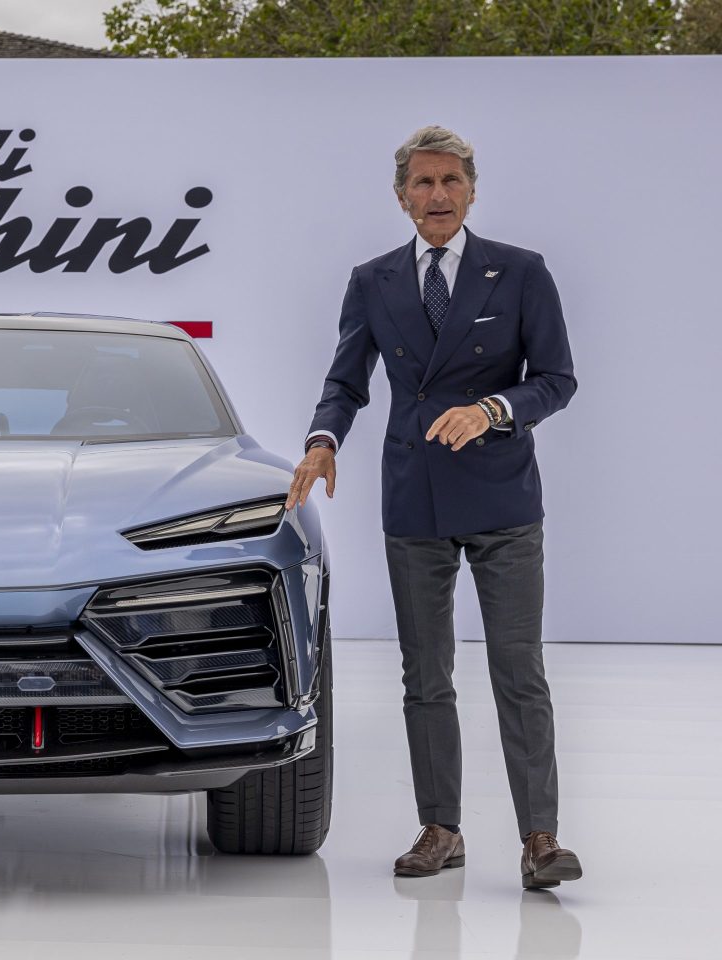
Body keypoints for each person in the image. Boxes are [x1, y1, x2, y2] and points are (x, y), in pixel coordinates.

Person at [286, 125, 582, 890]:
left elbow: (556, 378)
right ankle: (441, 829)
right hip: (412, 499)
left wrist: (492, 409)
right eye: (423, 183)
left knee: (519, 672)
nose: (438, 195)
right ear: (401, 197)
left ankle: (541, 839)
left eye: (451, 181)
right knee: (426, 674)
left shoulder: (520, 272)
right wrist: (324, 440)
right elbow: (347, 379)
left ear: (473, 189)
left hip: (504, 500)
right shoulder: (373, 279)